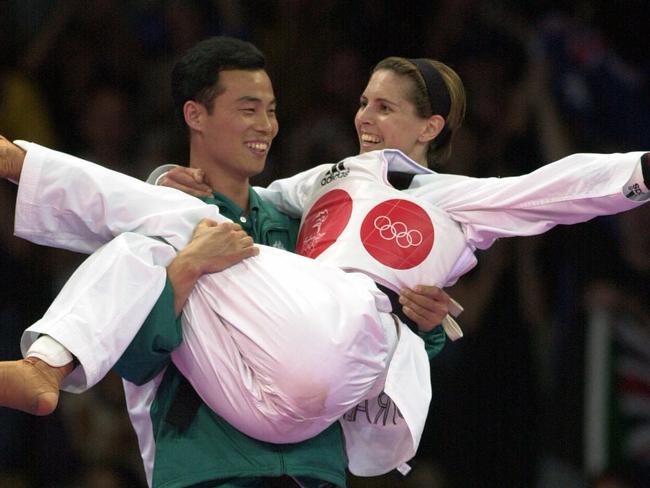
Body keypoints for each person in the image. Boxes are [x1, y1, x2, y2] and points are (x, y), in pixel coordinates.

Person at [3, 45, 650, 475]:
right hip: (256, 394)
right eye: (364, 100)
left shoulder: (459, 201)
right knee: (160, 232)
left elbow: (556, 189)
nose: (365, 115)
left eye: (386, 106)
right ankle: (45, 364)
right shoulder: (324, 183)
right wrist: (166, 179)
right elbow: (240, 202)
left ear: (430, 127)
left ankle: (19, 185)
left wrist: (640, 171)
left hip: (345, 357)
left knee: (168, 228)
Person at [0, 37, 451, 487]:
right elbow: (134, 361)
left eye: (272, 111)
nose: (266, 126)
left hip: (312, 468)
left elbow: (372, 337)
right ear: (196, 115)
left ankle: (45, 356)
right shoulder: (153, 233)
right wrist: (188, 267)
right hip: (208, 464)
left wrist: (423, 324)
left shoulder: (306, 226)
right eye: (248, 109)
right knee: (155, 236)